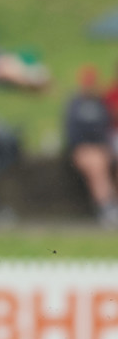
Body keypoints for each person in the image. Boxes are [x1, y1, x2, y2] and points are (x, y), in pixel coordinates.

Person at [66, 64, 118, 227]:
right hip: (83, 148)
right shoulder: (75, 105)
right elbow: (71, 132)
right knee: (96, 165)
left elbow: (106, 128)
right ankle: (106, 207)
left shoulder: (101, 104)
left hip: (102, 147)